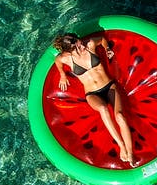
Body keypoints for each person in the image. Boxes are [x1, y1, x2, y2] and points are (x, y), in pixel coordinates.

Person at [52, 32, 138, 166]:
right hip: (92, 93)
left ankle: (130, 153)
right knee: (103, 108)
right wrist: (62, 74)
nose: (82, 46)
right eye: (78, 47)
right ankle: (121, 145)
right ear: (69, 51)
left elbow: (103, 40)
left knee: (120, 116)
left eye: (80, 42)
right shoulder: (65, 58)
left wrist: (107, 49)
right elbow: (57, 60)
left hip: (109, 86)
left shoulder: (90, 44)